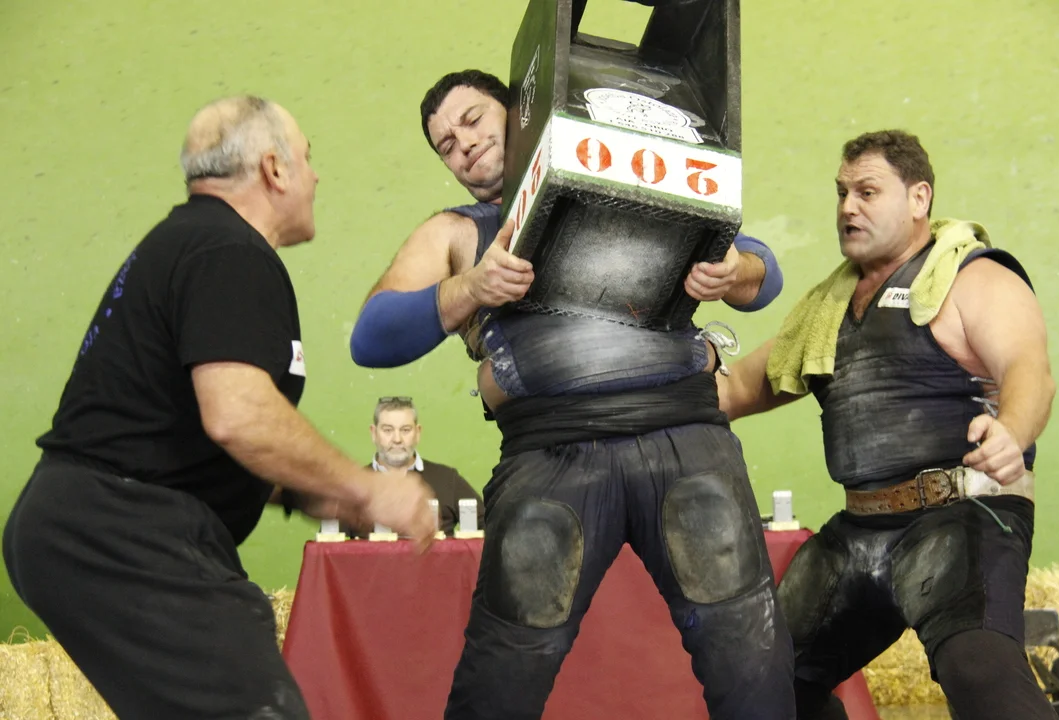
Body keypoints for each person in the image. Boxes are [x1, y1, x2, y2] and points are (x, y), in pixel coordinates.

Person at [351, 70, 794, 720]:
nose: (463, 145)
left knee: (751, 663)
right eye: (445, 144)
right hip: (550, 455)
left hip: (685, 434)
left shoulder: (615, 170)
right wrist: (469, 288)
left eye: (472, 121)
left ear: (518, 110)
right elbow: (371, 337)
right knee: (500, 681)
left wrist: (734, 270)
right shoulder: (456, 233)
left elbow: (762, 272)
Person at [2, 95, 436, 720]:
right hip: (121, 527)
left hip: (88, 526)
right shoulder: (227, 250)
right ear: (274, 169)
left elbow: (183, 428)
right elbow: (237, 416)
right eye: (307, 157)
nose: (316, 176)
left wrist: (315, 494)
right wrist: (367, 489)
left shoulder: (192, 244)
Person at [716, 130, 1057, 720]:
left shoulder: (973, 278)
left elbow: (1029, 371)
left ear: (919, 197)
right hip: (859, 531)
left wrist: (1012, 432)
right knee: (761, 679)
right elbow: (734, 391)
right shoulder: (824, 315)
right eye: (842, 192)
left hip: (960, 516)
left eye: (868, 192)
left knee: (978, 671)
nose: (848, 207)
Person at [349, 395, 485, 537]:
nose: (397, 439)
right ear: (374, 433)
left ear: (417, 432)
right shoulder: (355, 485)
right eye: (388, 430)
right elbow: (334, 543)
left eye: (405, 430)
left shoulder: (447, 479)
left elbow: (490, 528)